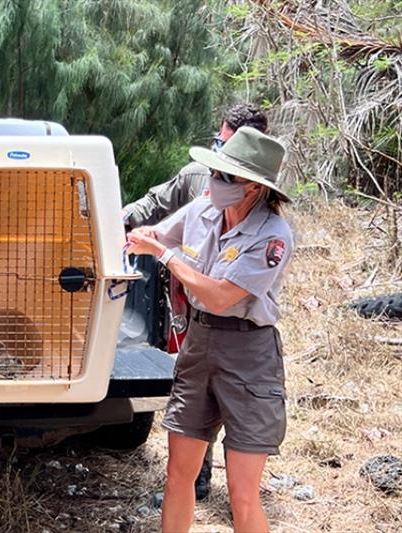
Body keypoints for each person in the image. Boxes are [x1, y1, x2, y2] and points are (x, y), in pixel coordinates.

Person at [126, 127, 293, 533]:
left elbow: (221, 296)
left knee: (242, 494)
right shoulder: (203, 210)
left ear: (252, 187)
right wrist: (133, 234)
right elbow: (158, 233)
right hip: (200, 345)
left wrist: (165, 256)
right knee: (178, 474)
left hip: (248, 354)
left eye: (225, 177)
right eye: (215, 173)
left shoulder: (273, 237)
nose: (215, 182)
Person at [122, 103, 269, 228]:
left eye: (229, 148)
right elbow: (155, 203)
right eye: (219, 143)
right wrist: (123, 217)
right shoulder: (196, 174)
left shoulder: (262, 201)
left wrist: (164, 254)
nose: (220, 153)